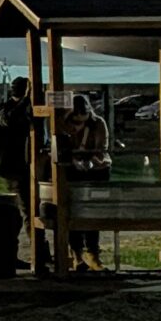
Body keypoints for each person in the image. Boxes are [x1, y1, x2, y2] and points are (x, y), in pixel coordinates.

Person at [0, 76, 38, 270]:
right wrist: (26, 101)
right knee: (24, 210)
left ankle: (38, 252)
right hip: (14, 168)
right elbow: (8, 121)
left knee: (31, 211)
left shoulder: (26, 109)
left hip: (30, 165)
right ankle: (36, 253)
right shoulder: (4, 109)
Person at [61, 90, 110, 272]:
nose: (79, 123)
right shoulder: (65, 125)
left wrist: (91, 160)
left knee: (93, 211)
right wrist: (73, 160)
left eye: (83, 118)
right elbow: (61, 146)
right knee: (71, 210)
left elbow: (101, 148)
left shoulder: (98, 124)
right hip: (72, 170)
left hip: (96, 169)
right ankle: (76, 252)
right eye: (76, 119)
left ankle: (92, 252)